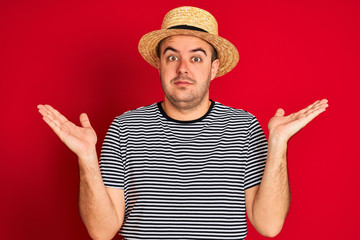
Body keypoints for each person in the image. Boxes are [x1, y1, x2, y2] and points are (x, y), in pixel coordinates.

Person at [37, 6, 328, 240]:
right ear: (160, 65)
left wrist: (278, 145)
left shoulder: (244, 127)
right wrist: (87, 158)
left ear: (214, 68)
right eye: (172, 56)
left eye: (197, 58)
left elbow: (269, 226)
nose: (183, 68)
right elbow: (102, 232)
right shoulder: (125, 128)